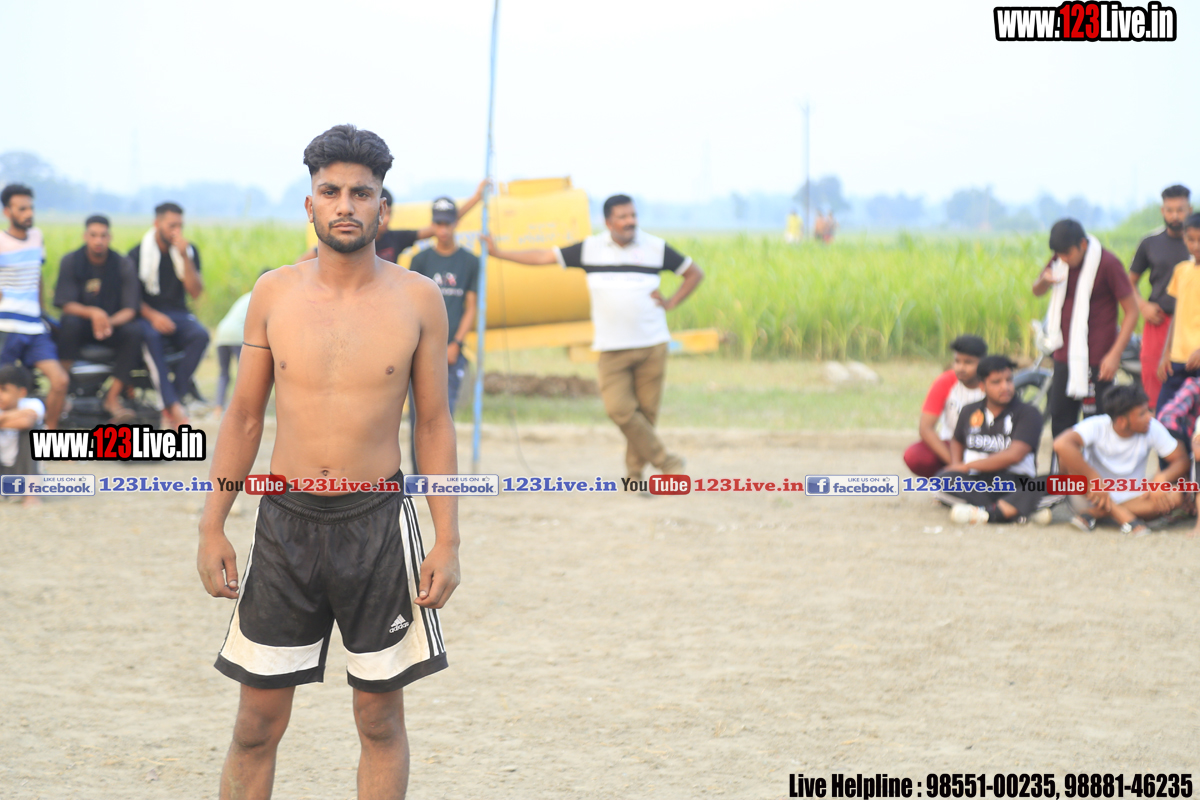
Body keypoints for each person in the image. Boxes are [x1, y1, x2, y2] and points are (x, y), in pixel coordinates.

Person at [197, 124, 460, 799]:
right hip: (285, 524)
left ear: (383, 208)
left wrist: (448, 539)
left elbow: (433, 423)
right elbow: (244, 417)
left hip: (378, 525)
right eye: (331, 191)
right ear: (310, 203)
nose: (346, 205)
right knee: (255, 724)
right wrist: (212, 524)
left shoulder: (418, 299)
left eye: (361, 193)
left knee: (379, 720)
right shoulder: (274, 293)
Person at [483, 194, 705, 481]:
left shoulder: (656, 248)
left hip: (652, 344)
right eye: (623, 217)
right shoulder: (590, 249)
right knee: (619, 410)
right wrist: (499, 253)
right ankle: (667, 460)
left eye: (633, 215)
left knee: (646, 415)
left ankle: (633, 475)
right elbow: (543, 257)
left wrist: (671, 302)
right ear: (608, 221)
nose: (630, 221)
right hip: (611, 348)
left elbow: (693, 273)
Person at [1032, 218, 1138, 440]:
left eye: (1067, 254)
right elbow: (1037, 290)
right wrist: (1045, 281)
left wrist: (1114, 355)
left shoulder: (1107, 264)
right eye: (1059, 254)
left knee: (1098, 422)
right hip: (1064, 354)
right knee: (1060, 420)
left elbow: (1131, 312)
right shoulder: (1059, 260)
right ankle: (1064, 462)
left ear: (1082, 244)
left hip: (1099, 358)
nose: (1063, 259)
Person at [1054, 385, 1188, 536]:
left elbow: (1181, 460)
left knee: (1176, 495)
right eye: (1142, 414)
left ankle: (1096, 513)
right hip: (1089, 495)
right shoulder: (1097, 425)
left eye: (1148, 410)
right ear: (1122, 421)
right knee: (1066, 456)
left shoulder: (1151, 427)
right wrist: (1094, 479)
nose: (1149, 416)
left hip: (1134, 499)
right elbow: (1061, 444)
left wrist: (1161, 479)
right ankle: (1123, 516)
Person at [407, 197, 477, 471]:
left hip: (451, 354)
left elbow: (471, 307)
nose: (443, 229)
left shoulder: (469, 262)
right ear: (432, 224)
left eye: (448, 223)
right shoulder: (420, 260)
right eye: (438, 223)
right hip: (422, 354)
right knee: (418, 419)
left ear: (456, 223)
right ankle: (418, 477)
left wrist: (456, 343)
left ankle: (440, 477)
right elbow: (412, 307)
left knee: (443, 418)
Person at [52, 214, 144, 422]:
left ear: (109, 237)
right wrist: (93, 313)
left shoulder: (122, 264)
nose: (98, 241)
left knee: (135, 331)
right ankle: (62, 390)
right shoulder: (71, 261)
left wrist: (108, 321)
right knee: (69, 322)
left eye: (103, 235)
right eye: (93, 235)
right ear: (85, 236)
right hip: (81, 324)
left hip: (112, 326)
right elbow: (65, 303)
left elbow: (130, 309)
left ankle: (112, 398)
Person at [940, 355, 1046, 524]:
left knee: (1051, 482)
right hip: (978, 482)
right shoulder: (969, 411)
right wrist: (957, 464)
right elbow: (957, 440)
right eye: (996, 382)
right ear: (982, 386)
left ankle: (986, 512)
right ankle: (1010, 511)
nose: (1005, 387)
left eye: (1009, 380)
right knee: (944, 479)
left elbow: (1014, 455)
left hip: (1014, 482)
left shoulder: (1029, 413)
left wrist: (967, 466)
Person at [130, 202, 210, 429]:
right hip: (147, 315)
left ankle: (173, 400)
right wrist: (154, 316)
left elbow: (195, 292)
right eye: (171, 225)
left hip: (178, 314)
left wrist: (185, 257)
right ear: (157, 224)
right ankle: (174, 407)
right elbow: (131, 298)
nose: (177, 231)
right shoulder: (137, 254)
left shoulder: (188, 251)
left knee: (201, 336)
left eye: (180, 226)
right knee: (151, 336)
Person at [0, 184, 68, 430]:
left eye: (30, 208)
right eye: (22, 209)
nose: (28, 213)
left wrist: (42, 312)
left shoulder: (37, 237)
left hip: (34, 326)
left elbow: (37, 277)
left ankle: (50, 434)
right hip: (6, 327)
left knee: (59, 381)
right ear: (7, 212)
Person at [296, 181, 487, 264]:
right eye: (383, 214)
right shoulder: (352, 238)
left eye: (389, 214)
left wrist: (476, 198)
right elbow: (306, 259)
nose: (385, 219)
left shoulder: (396, 239)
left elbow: (440, 225)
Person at [1129, 185, 1192, 408]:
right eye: (1170, 210)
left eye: (1180, 210)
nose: (1175, 216)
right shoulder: (1150, 242)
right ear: (1162, 211)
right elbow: (1130, 281)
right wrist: (1143, 306)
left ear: (1190, 209)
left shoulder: (1196, 244)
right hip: (1159, 321)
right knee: (1154, 386)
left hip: (1192, 325)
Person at [903, 335, 987, 477]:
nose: (961, 367)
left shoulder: (993, 382)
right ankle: (946, 481)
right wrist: (956, 466)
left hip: (987, 446)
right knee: (915, 455)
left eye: (968, 362)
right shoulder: (946, 381)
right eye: (957, 361)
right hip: (952, 447)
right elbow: (925, 428)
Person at [1154, 213, 1200, 415]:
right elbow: (1177, 315)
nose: (1196, 246)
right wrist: (1166, 353)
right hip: (1178, 358)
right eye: (1191, 240)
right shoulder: (1181, 271)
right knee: (1165, 415)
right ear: (1184, 238)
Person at [212, 270, 271, 416]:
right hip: (237, 335)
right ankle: (243, 411)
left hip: (221, 334)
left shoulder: (246, 296)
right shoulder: (264, 298)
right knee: (247, 376)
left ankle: (218, 407)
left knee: (224, 373)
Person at [0, 364, 44, 507]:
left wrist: (3, 419)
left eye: (4, 390)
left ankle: (31, 493)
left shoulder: (33, 404)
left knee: (33, 431)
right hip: (3, 469)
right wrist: (13, 415)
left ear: (21, 392)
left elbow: (26, 422)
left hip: (21, 469)